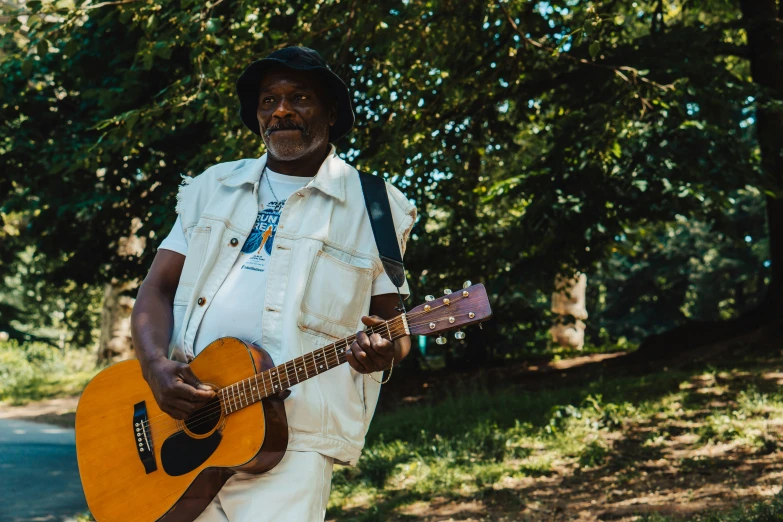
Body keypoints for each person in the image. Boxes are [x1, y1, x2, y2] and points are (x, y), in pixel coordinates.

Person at [130, 46, 417, 521]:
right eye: (268, 100)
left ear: (330, 111)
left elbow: (395, 325)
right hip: (183, 424)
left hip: (295, 440)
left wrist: (386, 353)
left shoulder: (376, 205)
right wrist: (154, 366)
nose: (280, 110)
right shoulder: (211, 188)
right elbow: (156, 289)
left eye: (299, 96)